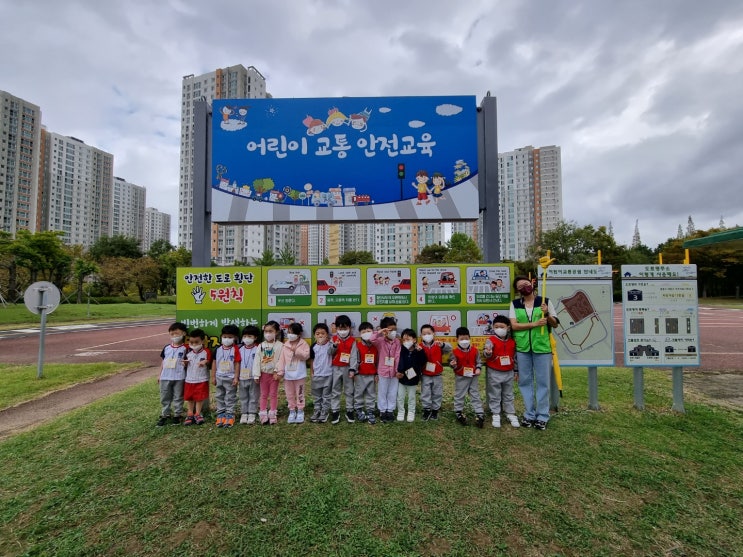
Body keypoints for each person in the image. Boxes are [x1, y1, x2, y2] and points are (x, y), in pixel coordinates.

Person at [509, 275, 559, 430]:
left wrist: (547, 314)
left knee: (543, 382)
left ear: (531, 284)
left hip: (542, 347)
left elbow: (555, 324)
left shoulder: (544, 301)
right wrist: (535, 324)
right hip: (523, 348)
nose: (524, 287)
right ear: (518, 291)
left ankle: (542, 416)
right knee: (525, 382)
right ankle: (529, 414)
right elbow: (514, 326)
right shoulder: (515, 304)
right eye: (520, 286)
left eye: (525, 283)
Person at [482, 315, 520, 428]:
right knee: (494, 394)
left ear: (508, 327)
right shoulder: (491, 340)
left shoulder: (512, 342)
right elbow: (486, 353)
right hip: (494, 371)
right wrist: (488, 352)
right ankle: (496, 413)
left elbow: (515, 358)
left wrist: (516, 371)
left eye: (501, 326)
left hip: (508, 372)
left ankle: (510, 413)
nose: (499, 328)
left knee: (508, 394)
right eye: (496, 326)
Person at [449, 326, 485, 428]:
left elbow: (478, 361)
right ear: (457, 340)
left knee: (475, 394)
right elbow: (452, 364)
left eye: (466, 338)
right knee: (459, 394)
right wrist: (453, 364)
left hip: (473, 376)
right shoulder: (454, 352)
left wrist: (478, 368)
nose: (464, 341)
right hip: (461, 377)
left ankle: (479, 413)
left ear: (470, 338)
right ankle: (458, 412)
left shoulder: (475, 350)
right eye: (461, 339)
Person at [276, 322, 311, 424]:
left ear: (299, 334)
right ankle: (292, 410)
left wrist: (296, 351)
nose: (289, 334)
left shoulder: (303, 343)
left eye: (292, 332)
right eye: (288, 332)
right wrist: (280, 372)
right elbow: (282, 360)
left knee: (300, 393)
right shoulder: (285, 345)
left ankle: (300, 410)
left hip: (299, 374)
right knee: (289, 394)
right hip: (288, 376)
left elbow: (306, 356)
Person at [156, 322, 189, 426]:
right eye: (172, 334)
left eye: (176, 333)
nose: (174, 336)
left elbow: (188, 362)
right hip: (165, 376)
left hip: (179, 377)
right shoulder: (166, 347)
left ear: (183, 333)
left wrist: (186, 364)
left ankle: (177, 414)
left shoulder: (186, 348)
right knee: (165, 396)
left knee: (178, 396)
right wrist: (159, 374)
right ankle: (165, 414)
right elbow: (163, 361)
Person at [253, 320, 284, 425]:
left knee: (273, 394)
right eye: (266, 331)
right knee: (264, 394)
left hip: (274, 375)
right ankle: (263, 413)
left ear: (277, 332)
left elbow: (281, 359)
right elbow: (257, 361)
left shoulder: (280, 345)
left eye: (271, 331)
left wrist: (277, 371)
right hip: (263, 374)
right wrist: (257, 374)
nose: (268, 334)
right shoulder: (261, 345)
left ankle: (272, 413)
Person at [328, 315, 358, 425]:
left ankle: (349, 410)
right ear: (336, 329)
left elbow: (354, 356)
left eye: (345, 329)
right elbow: (330, 353)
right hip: (336, 367)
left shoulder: (353, 341)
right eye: (340, 329)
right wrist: (334, 346)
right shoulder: (333, 339)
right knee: (335, 390)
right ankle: (335, 411)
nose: (343, 331)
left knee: (349, 390)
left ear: (350, 328)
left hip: (347, 368)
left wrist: (352, 369)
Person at [371, 316, 401, 423]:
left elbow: (397, 356)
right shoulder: (380, 341)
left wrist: (397, 370)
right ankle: (383, 410)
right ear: (385, 330)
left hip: (394, 372)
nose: (393, 332)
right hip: (383, 371)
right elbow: (371, 338)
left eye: (394, 330)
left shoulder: (397, 341)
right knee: (382, 391)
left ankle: (390, 410)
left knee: (393, 391)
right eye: (390, 330)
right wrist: (380, 331)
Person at [419, 323, 452, 421]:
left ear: (434, 333)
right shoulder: (420, 346)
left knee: (437, 393)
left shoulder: (438, 344)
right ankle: (426, 409)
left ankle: (435, 410)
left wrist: (443, 345)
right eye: (424, 334)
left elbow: (449, 348)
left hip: (437, 374)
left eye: (429, 333)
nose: (426, 335)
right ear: (421, 335)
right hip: (425, 374)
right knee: (425, 392)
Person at [211, 324, 241, 428]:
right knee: (219, 396)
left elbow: (237, 363)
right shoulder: (217, 349)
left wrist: (236, 377)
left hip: (230, 377)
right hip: (219, 376)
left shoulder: (236, 349)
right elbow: (214, 363)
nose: (226, 339)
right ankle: (221, 413)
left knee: (230, 396)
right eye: (224, 337)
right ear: (221, 336)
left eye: (230, 337)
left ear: (235, 338)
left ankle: (230, 414)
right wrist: (213, 377)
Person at [182, 328, 212, 426]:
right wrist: (185, 363)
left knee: (199, 398)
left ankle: (198, 413)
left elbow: (209, 361)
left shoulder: (206, 351)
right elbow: (184, 363)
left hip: (201, 379)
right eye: (191, 342)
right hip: (189, 379)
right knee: (189, 397)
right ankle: (190, 413)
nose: (194, 344)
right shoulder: (188, 352)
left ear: (202, 341)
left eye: (196, 342)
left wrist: (205, 362)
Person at [396, 328, 426, 422]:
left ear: (414, 340)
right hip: (402, 378)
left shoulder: (418, 351)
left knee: (411, 397)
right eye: (404, 340)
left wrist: (420, 352)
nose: (405, 342)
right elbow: (399, 362)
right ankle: (401, 412)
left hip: (413, 378)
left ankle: (411, 412)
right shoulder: (401, 350)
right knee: (400, 397)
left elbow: (423, 361)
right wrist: (399, 371)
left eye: (408, 339)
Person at [354, 322, 378, 424]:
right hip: (360, 374)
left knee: (371, 393)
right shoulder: (357, 346)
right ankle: (358, 409)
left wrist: (377, 373)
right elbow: (355, 360)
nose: (366, 333)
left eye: (369, 331)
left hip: (372, 374)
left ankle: (370, 410)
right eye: (364, 332)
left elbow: (378, 361)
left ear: (373, 332)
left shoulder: (376, 346)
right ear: (360, 334)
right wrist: (355, 373)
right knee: (359, 392)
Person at [309, 323, 333, 423]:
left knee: (326, 395)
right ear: (314, 335)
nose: (320, 335)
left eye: (323, 333)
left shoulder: (330, 345)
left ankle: (324, 411)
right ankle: (317, 410)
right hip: (317, 375)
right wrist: (312, 372)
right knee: (317, 395)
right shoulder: (313, 346)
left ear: (327, 334)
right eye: (317, 333)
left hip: (328, 374)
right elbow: (311, 360)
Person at [238, 325, 261, 424]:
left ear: (255, 338)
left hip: (253, 377)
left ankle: (252, 412)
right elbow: (237, 363)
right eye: (245, 336)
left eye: (250, 336)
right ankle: (244, 413)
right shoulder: (239, 349)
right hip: (242, 377)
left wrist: (258, 375)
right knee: (243, 395)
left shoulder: (258, 349)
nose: (247, 338)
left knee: (253, 395)